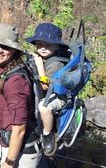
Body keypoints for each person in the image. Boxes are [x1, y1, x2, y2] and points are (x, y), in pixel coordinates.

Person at [0, 23, 42, 168]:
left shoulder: (15, 82)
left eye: (5, 47)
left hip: (19, 151)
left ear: (14, 51)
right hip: (11, 142)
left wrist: (9, 162)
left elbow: (19, 128)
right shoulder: (7, 67)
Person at [25, 23, 69, 156]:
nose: (43, 48)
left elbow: (47, 86)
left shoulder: (56, 63)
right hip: (48, 92)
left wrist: (39, 65)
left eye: (48, 45)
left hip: (59, 96)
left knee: (43, 108)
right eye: (39, 45)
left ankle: (48, 134)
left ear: (57, 46)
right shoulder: (45, 56)